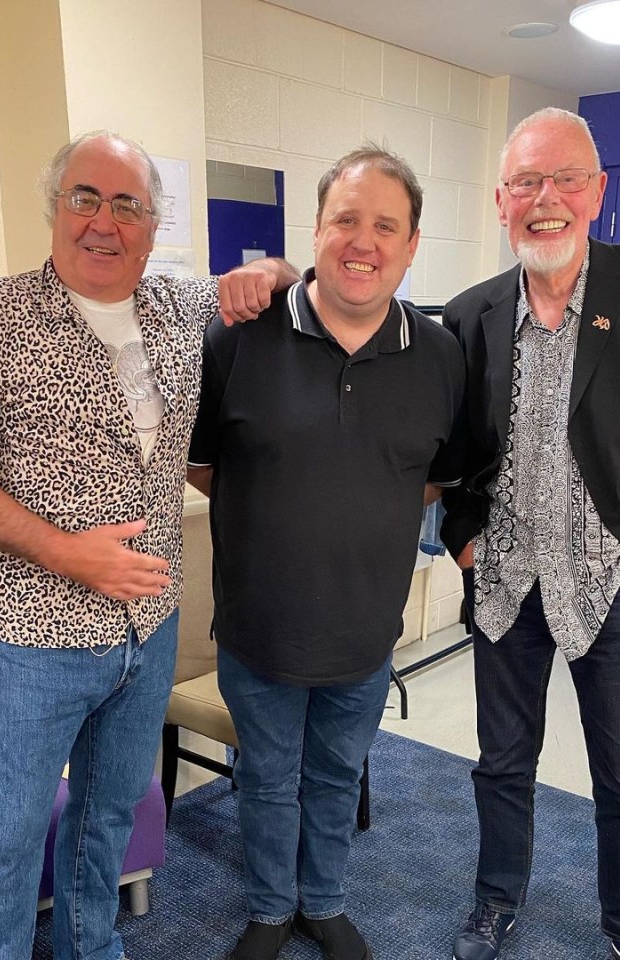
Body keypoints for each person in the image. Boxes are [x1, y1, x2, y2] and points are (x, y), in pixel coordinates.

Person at [0, 131, 298, 960]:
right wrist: (63, 551)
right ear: (55, 208)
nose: (104, 221)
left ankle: (95, 948)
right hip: (30, 639)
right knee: (3, 849)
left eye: (128, 205)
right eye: (85, 197)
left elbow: (278, 282)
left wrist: (270, 271)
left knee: (105, 820)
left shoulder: (180, 309)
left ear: (153, 226)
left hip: (145, 633)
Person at [440, 107, 620, 960]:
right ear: (501, 201)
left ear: (598, 191)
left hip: (617, 584)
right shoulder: (469, 314)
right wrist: (462, 538)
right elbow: (449, 454)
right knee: (501, 765)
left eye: (566, 178)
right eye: (526, 182)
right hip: (506, 584)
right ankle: (495, 903)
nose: (546, 198)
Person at [187, 145, 465, 960]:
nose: (363, 241)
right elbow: (204, 465)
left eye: (386, 225)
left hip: (364, 632)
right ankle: (271, 911)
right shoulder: (238, 337)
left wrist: (354, 511)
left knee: (335, 779)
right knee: (267, 781)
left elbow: (431, 477)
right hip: (259, 628)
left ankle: (325, 902)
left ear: (412, 245)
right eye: (346, 219)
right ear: (316, 230)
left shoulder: (442, 355)